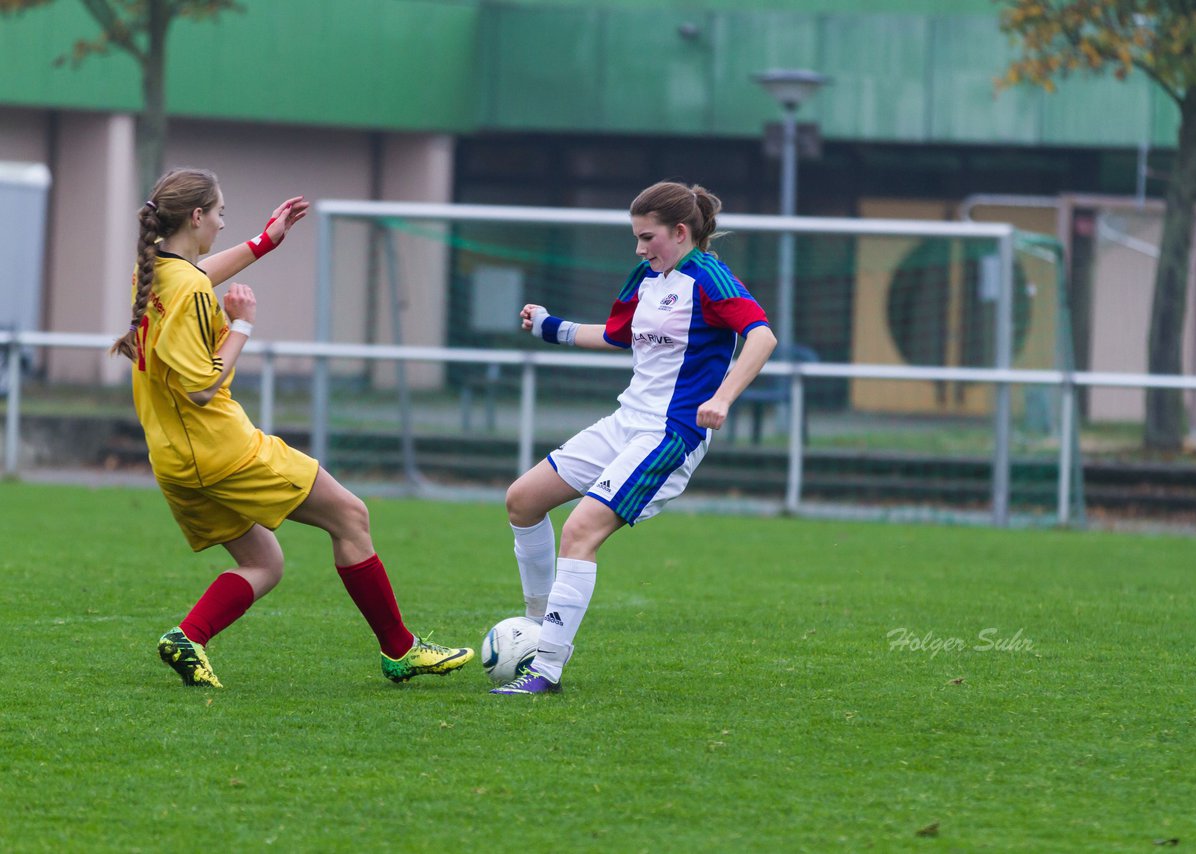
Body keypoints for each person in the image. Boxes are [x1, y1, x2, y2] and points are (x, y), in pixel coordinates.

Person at [112, 167, 473, 689]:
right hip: (223, 450)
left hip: (174, 460)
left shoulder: (154, 274)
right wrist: (244, 325)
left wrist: (263, 242)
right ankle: (401, 651)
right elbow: (200, 388)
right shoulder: (186, 287)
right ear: (196, 216)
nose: (219, 224)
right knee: (351, 516)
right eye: (219, 215)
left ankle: (188, 637)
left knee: (265, 562)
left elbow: (199, 275)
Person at [491, 180, 778, 696]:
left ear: (681, 231)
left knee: (581, 532)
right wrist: (549, 326)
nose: (640, 248)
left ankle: (546, 670)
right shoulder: (647, 277)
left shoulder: (709, 277)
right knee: (523, 500)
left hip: (671, 432)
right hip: (626, 422)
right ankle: (535, 626)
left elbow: (761, 334)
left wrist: (724, 397)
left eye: (647, 237)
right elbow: (616, 334)